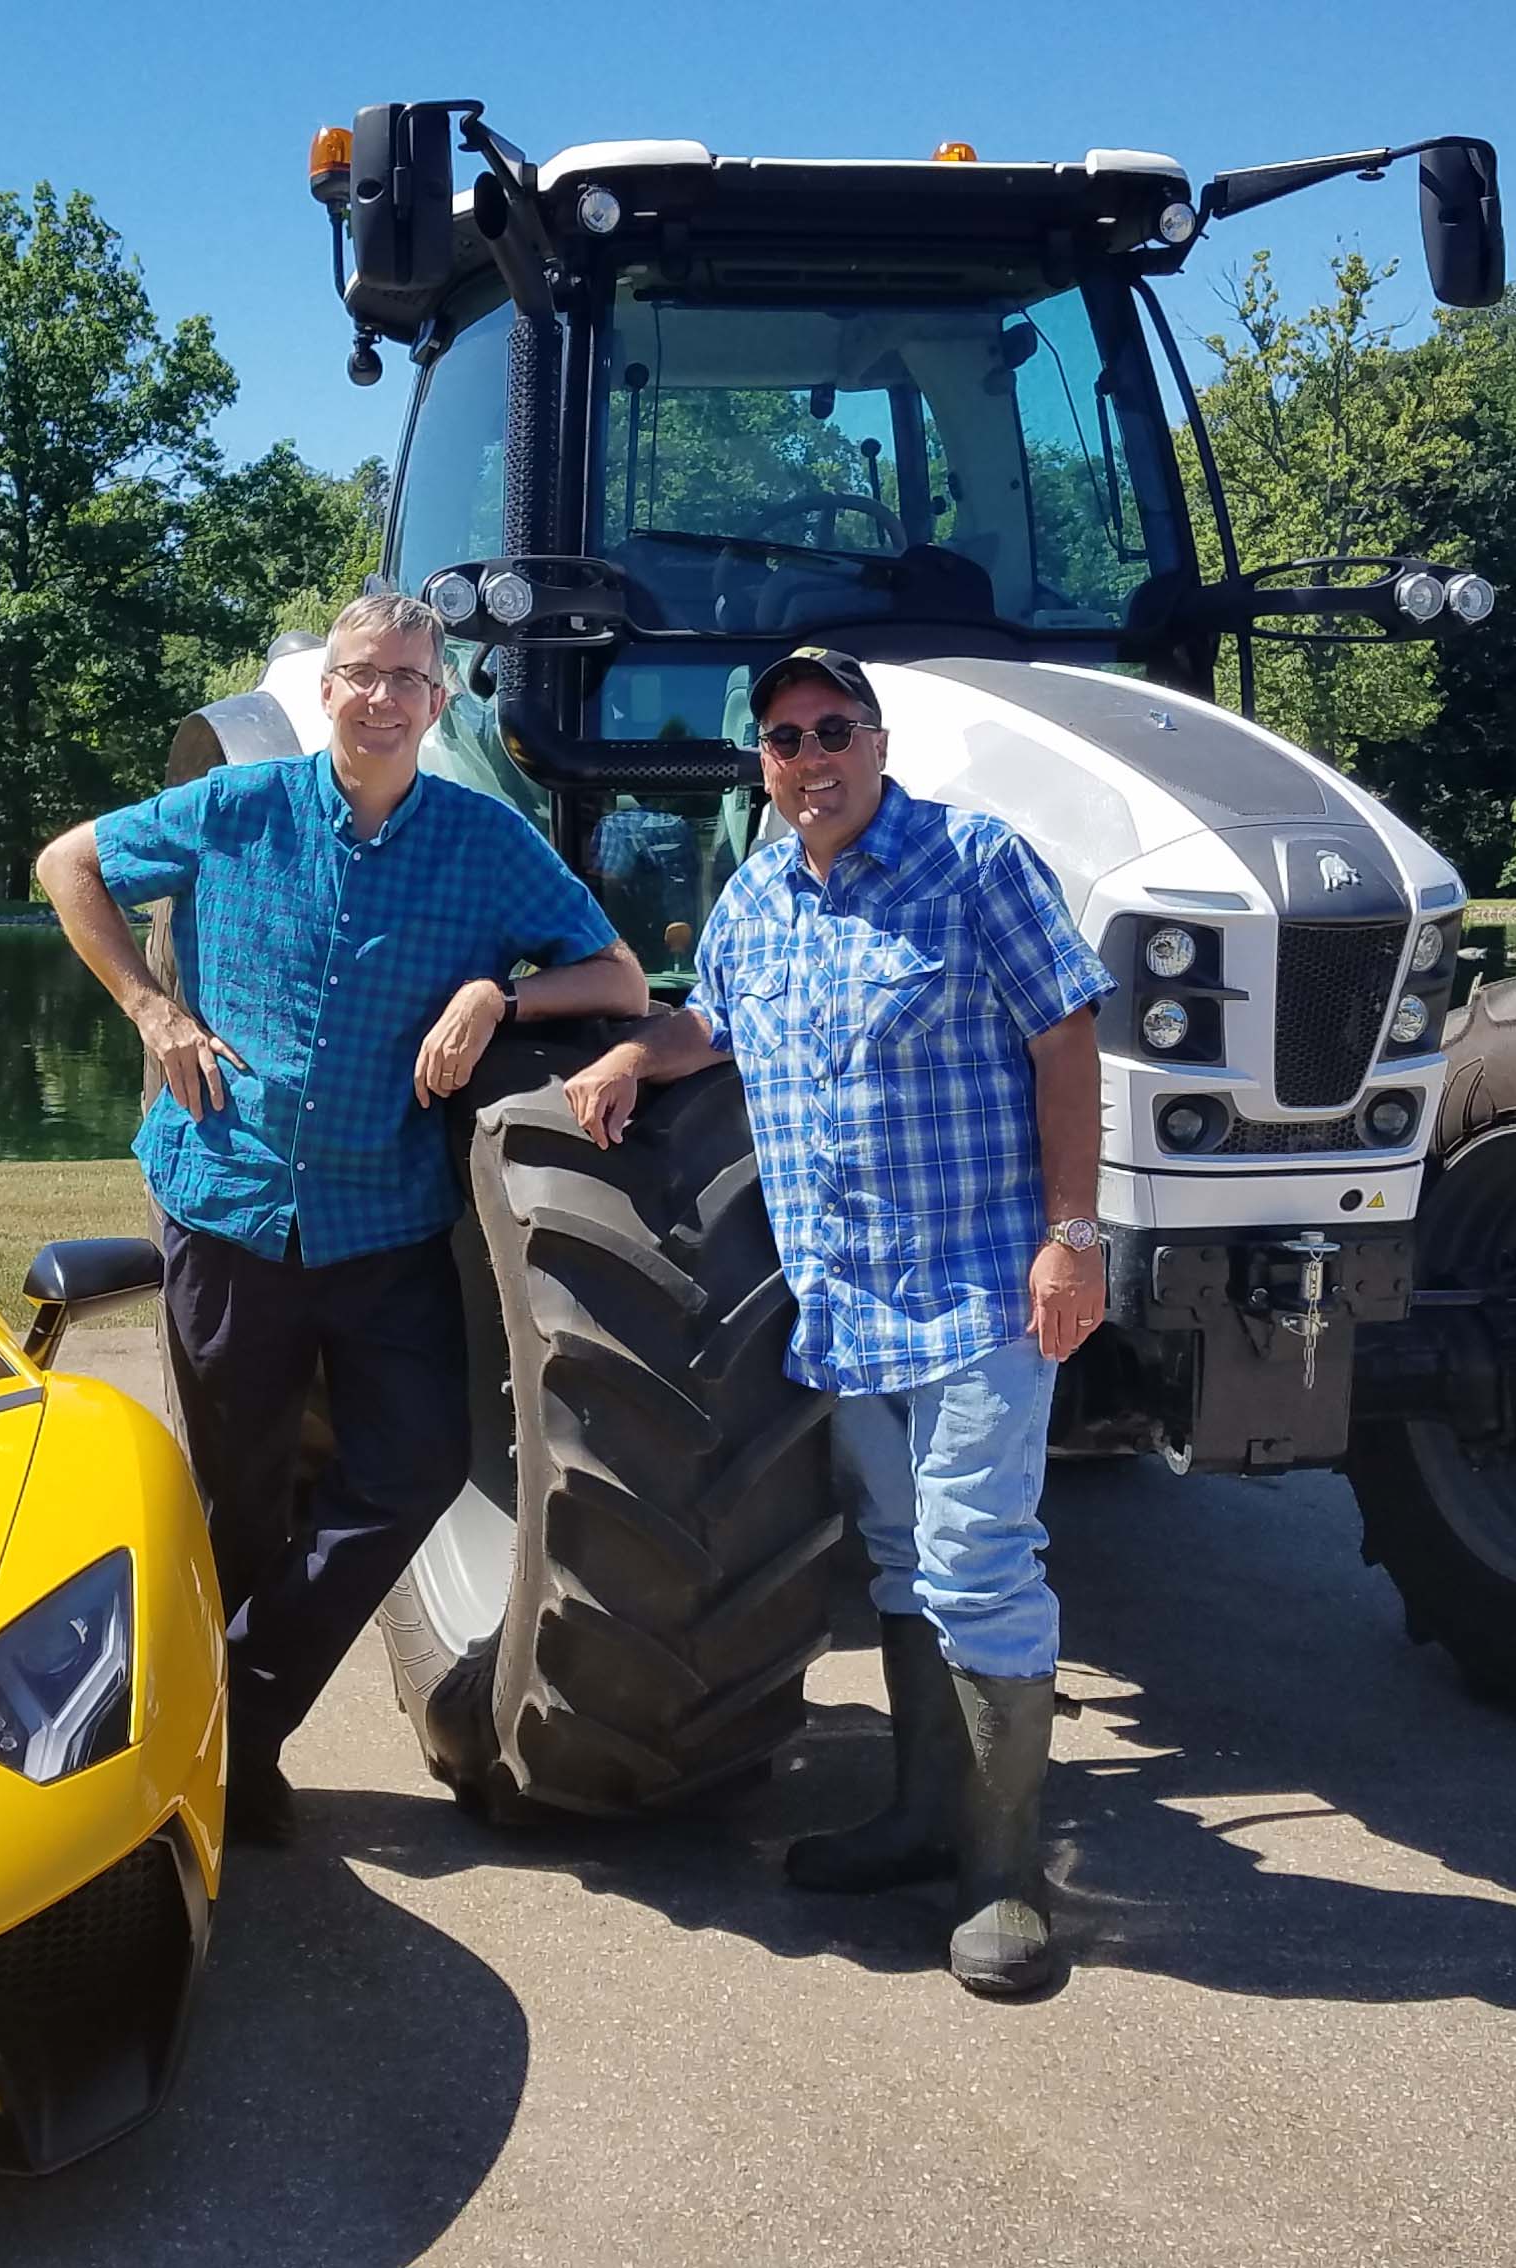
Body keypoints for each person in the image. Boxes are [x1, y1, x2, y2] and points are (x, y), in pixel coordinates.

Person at [38, 592, 648, 1847]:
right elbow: (69, 864)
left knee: (414, 1466)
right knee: (233, 1499)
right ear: (327, 692)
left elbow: (620, 977)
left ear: (440, 701)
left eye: (407, 679)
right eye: (361, 675)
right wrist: (154, 1012)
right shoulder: (238, 809)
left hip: (383, 1217)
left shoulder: (484, 842)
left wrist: (495, 993)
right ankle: (231, 1762)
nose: (381, 698)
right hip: (228, 1202)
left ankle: (234, 1721)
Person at [560, 647, 1112, 1997]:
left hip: (983, 1284)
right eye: (784, 740)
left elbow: (1066, 1040)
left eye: (832, 731)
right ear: (765, 765)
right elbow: (719, 1024)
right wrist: (640, 1051)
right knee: (902, 1554)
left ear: (877, 741)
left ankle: (1002, 1875)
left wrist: (1073, 1236)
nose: (809, 758)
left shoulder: (975, 862)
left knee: (982, 1561)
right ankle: (921, 1817)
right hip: (847, 1303)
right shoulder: (758, 894)